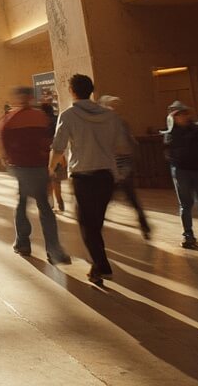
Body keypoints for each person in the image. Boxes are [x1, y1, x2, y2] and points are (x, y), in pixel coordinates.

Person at [50, 74, 124, 286]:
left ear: (72, 91)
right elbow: (120, 144)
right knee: (96, 223)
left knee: (86, 224)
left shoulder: (69, 115)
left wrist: (51, 167)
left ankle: (103, 266)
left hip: (83, 176)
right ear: (91, 90)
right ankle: (96, 269)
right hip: (107, 175)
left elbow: (58, 146)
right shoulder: (110, 116)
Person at [0, 88, 71, 264]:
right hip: (37, 166)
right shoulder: (39, 117)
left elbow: (3, 141)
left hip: (23, 167)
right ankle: (53, 249)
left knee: (23, 202)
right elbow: (48, 139)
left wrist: (9, 160)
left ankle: (23, 243)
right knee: (43, 205)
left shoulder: (9, 118)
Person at [162, 101, 198, 248]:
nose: (180, 117)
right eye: (176, 114)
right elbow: (167, 151)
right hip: (181, 170)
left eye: (182, 114)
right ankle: (188, 235)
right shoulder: (171, 132)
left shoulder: (197, 130)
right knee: (185, 204)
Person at [98, 95, 151, 239]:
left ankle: (96, 229)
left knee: (109, 200)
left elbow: (127, 144)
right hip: (116, 165)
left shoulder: (110, 123)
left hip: (118, 164)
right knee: (123, 199)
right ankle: (144, 226)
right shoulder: (115, 123)